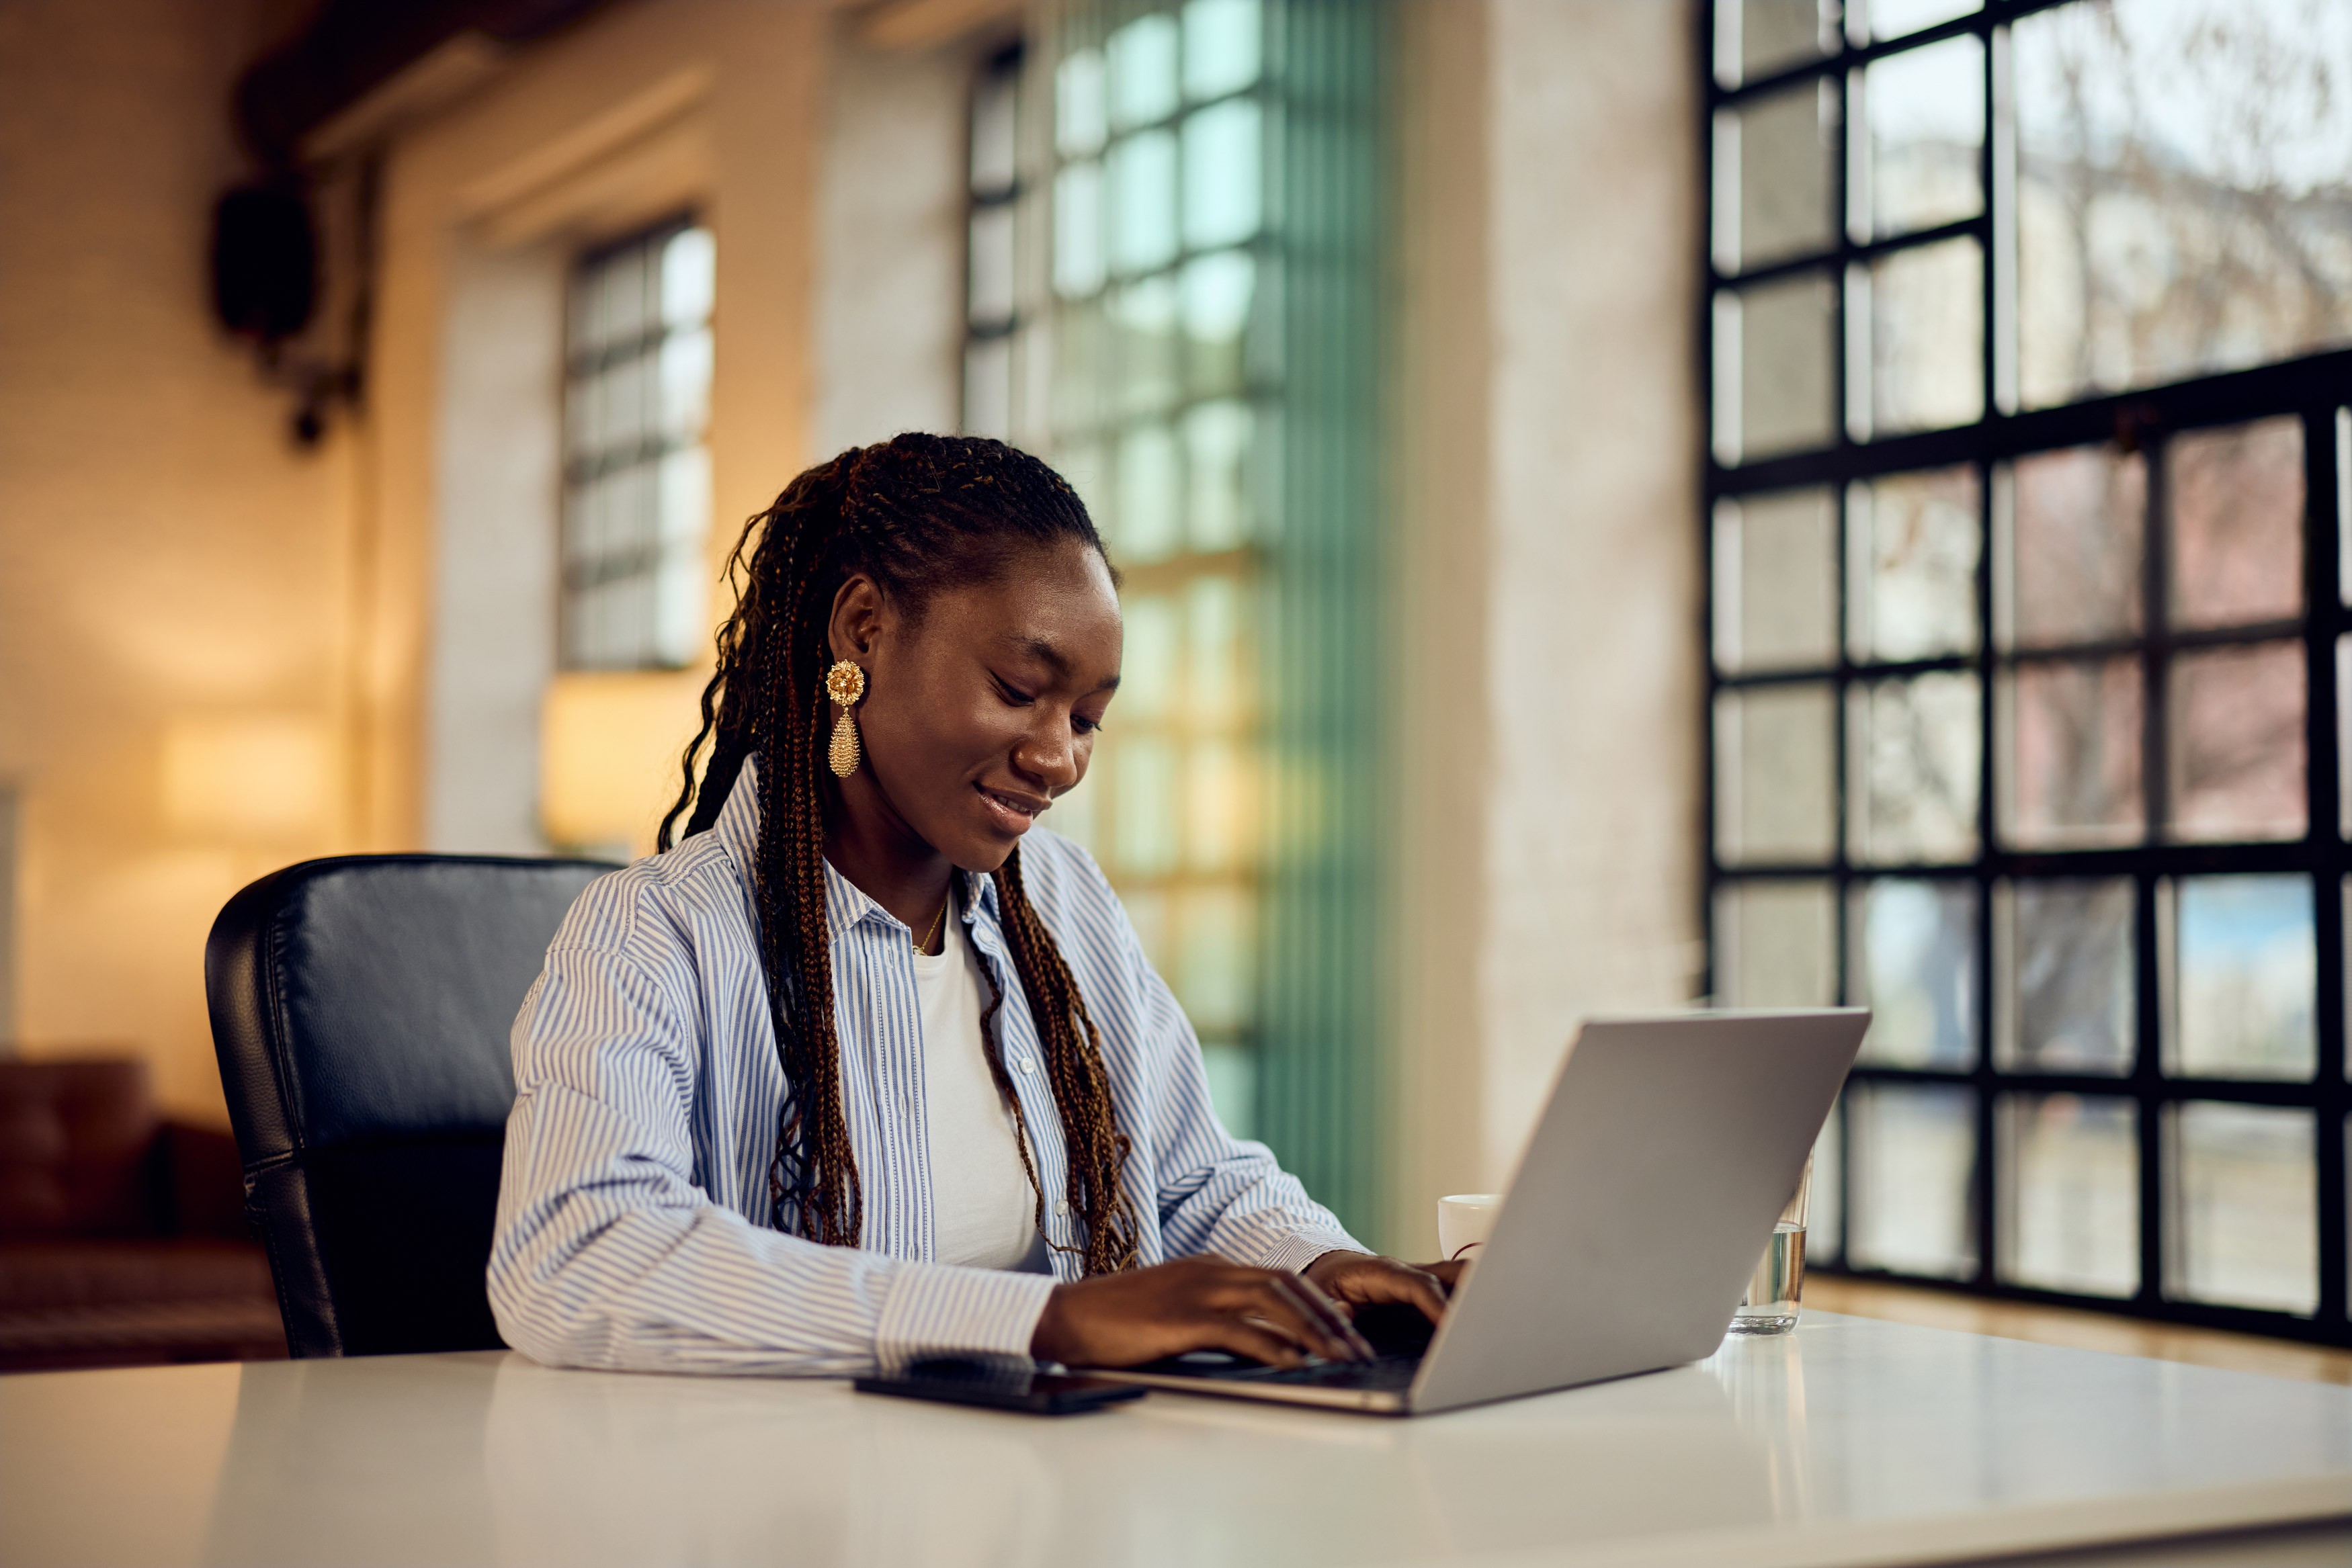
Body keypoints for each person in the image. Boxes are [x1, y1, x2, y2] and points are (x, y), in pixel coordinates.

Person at [490, 433, 1458, 1377]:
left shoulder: (1065, 905)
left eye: (1086, 720)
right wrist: (1046, 1320)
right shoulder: (656, 933)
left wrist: (1323, 1268)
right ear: (861, 628)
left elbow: (1192, 1179)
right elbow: (579, 1253)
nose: (1059, 757)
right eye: (1018, 689)